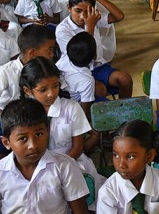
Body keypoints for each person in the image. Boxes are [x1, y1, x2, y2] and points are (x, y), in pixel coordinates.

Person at [0, 98, 89, 214]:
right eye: (23, 138)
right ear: (6, 142)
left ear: (47, 131)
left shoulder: (65, 166)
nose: (33, 145)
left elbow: (80, 211)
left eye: (39, 134)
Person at [19, 57, 104, 207]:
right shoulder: (23, 113)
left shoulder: (71, 108)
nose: (51, 94)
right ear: (28, 90)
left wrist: (57, 169)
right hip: (36, 165)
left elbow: (77, 148)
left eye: (55, 86)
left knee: (79, 193)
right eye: (43, 90)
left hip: (71, 161)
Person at [55, 0, 132, 98]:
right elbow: (82, 56)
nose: (82, 16)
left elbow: (119, 16)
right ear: (69, 8)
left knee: (125, 79)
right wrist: (90, 27)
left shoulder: (92, 19)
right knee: (100, 90)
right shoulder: (62, 30)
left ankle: (125, 109)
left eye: (88, 11)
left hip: (97, 66)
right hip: (77, 70)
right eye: (78, 11)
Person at [95, 119, 159, 213]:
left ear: (149, 156)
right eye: (116, 155)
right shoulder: (108, 192)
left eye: (130, 157)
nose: (121, 165)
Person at [0, 25, 55, 116]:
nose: (52, 54)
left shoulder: (48, 69)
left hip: (36, 117)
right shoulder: (7, 71)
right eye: (50, 50)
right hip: (11, 118)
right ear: (32, 53)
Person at [55, 32, 97, 116]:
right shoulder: (87, 81)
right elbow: (85, 112)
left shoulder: (65, 56)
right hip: (72, 112)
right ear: (94, 56)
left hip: (57, 104)